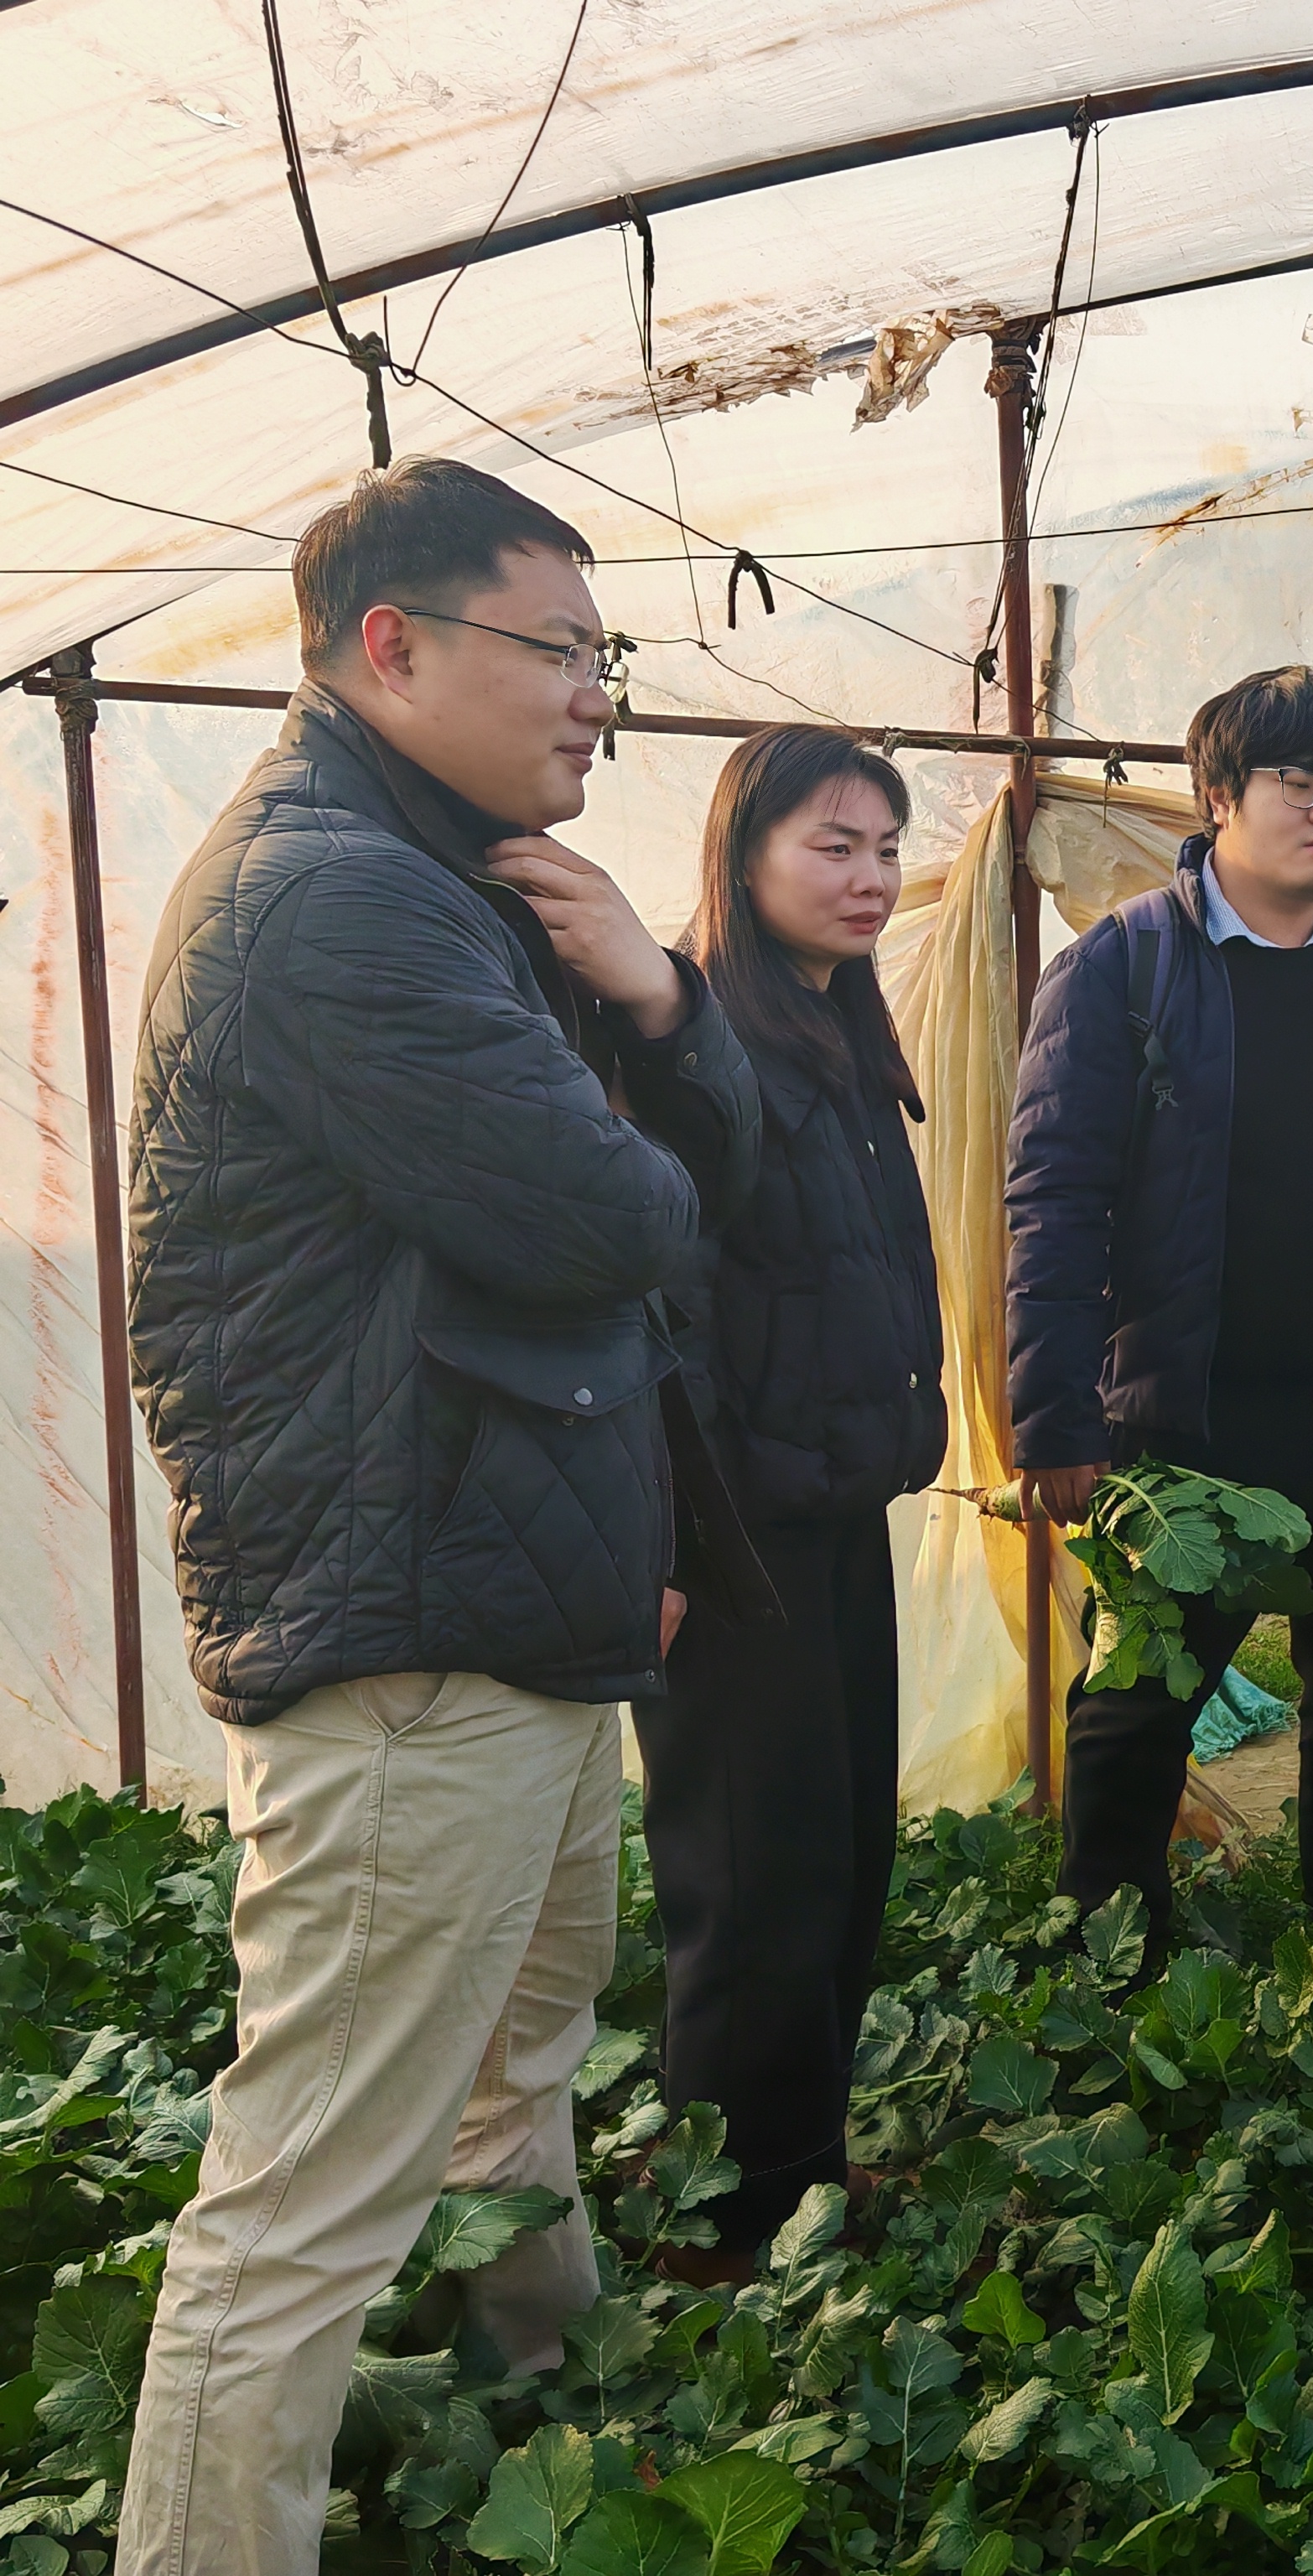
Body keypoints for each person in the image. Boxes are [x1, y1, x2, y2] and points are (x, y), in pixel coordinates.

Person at [120, 458, 762, 2576]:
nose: (597, 698)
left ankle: (542, 2440)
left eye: (608, 655)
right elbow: (618, 1223)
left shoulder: (462, 873)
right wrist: (650, 1086)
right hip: (407, 1637)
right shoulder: (337, 899)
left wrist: (661, 1010)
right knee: (305, 2196)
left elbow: (662, 1209)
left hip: (507, 1603)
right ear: (389, 648)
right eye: (558, 649)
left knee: (519, 2069)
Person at [1005, 665, 1313, 1945]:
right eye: (1301, 780)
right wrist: (1054, 1416)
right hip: (1199, 1415)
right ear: (1217, 794)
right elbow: (1054, 1203)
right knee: (1144, 1691)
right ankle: (1110, 1945)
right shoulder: (1125, 969)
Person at [634, 727, 943, 2279]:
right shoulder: (692, 1042)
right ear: (743, 854)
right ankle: (720, 2230)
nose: (871, 875)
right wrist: (674, 1538)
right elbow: (657, 1313)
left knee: (835, 1855)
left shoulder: (836, 1028)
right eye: (833, 844)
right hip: (735, 1529)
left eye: (885, 845)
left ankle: (800, 2170)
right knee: (746, 1876)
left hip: (830, 1501)